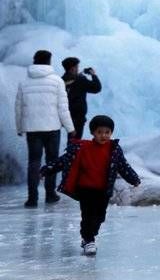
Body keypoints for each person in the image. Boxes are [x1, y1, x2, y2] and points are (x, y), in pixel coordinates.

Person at [40, 115, 141, 256]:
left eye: (107, 132)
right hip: (85, 189)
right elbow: (63, 161)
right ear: (93, 133)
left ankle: (88, 236)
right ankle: (88, 239)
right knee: (88, 215)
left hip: (103, 190)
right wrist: (46, 170)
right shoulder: (82, 147)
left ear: (111, 133)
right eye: (99, 132)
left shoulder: (114, 149)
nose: (103, 135)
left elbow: (123, 166)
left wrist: (134, 179)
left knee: (99, 216)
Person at [15, 50, 76, 208]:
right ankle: (50, 194)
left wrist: (20, 127)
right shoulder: (57, 81)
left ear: (35, 61)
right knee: (52, 161)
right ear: (49, 62)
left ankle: (32, 198)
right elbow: (63, 107)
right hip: (52, 128)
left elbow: (18, 107)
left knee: (34, 162)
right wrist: (70, 128)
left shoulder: (24, 82)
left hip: (32, 129)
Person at [61, 57, 102, 140]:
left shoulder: (61, 81)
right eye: (76, 67)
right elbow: (97, 88)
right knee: (75, 141)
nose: (77, 68)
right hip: (78, 117)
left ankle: (70, 151)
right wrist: (93, 74)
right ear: (72, 68)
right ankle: (72, 152)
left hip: (66, 116)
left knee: (71, 139)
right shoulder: (80, 80)